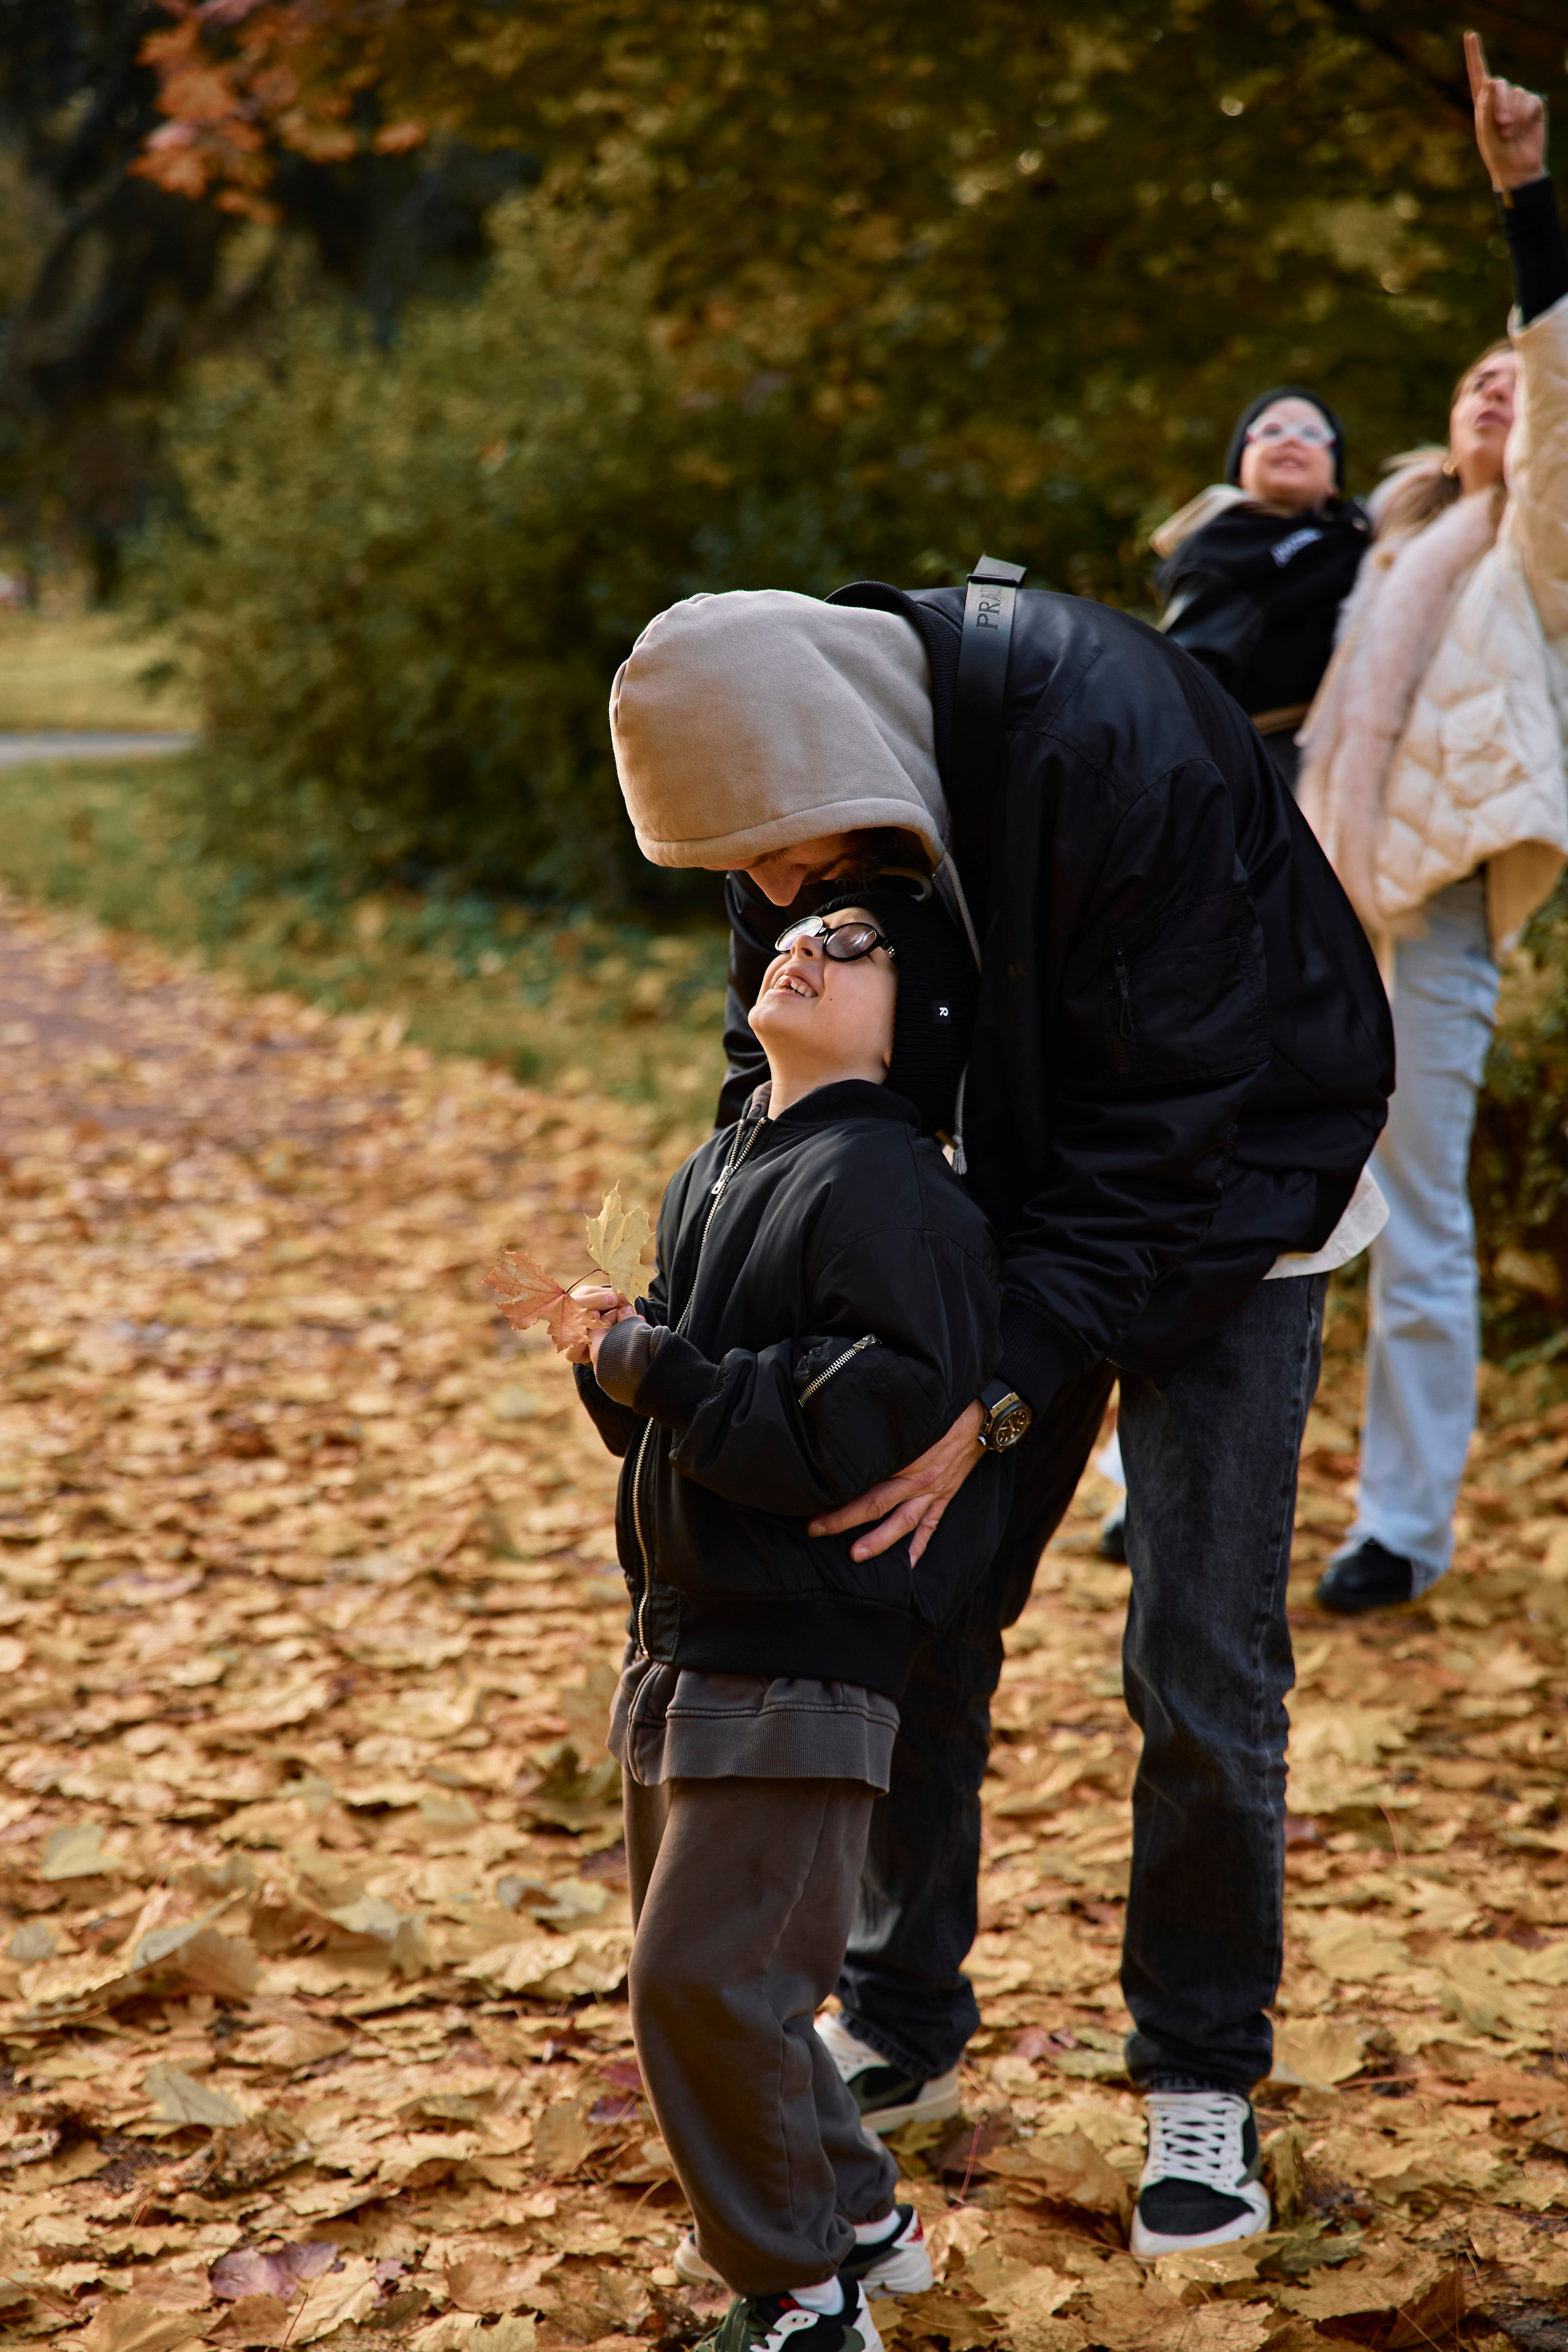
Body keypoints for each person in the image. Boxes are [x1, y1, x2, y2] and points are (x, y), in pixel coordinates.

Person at [607, 548, 1394, 2245]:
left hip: (1239, 1192)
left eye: (773, 856)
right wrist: (740, 1296)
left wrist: (995, 1401)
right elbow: (779, 1073)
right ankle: (900, 2016)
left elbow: (1157, 1141)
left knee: (1198, 1656)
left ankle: (1199, 2074)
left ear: (821, 745)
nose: (770, 889)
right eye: (738, 869)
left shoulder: (1115, 744)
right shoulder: (790, 794)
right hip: (1008, 1201)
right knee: (914, 1589)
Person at [568, 885, 1019, 2352]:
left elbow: (857, 1420)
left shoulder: (894, 1186)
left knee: (698, 1983)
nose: (805, 950)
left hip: (805, 1655)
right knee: (733, 1989)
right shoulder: (717, 1165)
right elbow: (687, 1405)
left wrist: (670, 1375)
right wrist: (615, 1357)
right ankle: (861, 2224)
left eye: (853, 944)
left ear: (916, 1023)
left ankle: (800, 2299)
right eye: (795, 934)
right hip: (690, 1634)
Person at [1298, 34, 1568, 1616]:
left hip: (1431, 923)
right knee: (1229, 1198)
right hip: (1308, 913)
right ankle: (1159, 1481)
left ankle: (1400, 1525)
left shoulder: (1537, 562)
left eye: (1509, 383)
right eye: (1472, 378)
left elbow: (1557, 392)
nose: (1491, 389)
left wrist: (1523, 195)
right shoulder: (1389, 556)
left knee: (1412, 1222)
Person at [1152, 387, 1368, 794]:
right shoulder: (1221, 545)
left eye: (1311, 434)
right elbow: (1190, 673)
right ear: (1240, 472)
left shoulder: (1374, 541)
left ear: (1333, 481)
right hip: (1274, 765)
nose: (1290, 440)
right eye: (1271, 431)